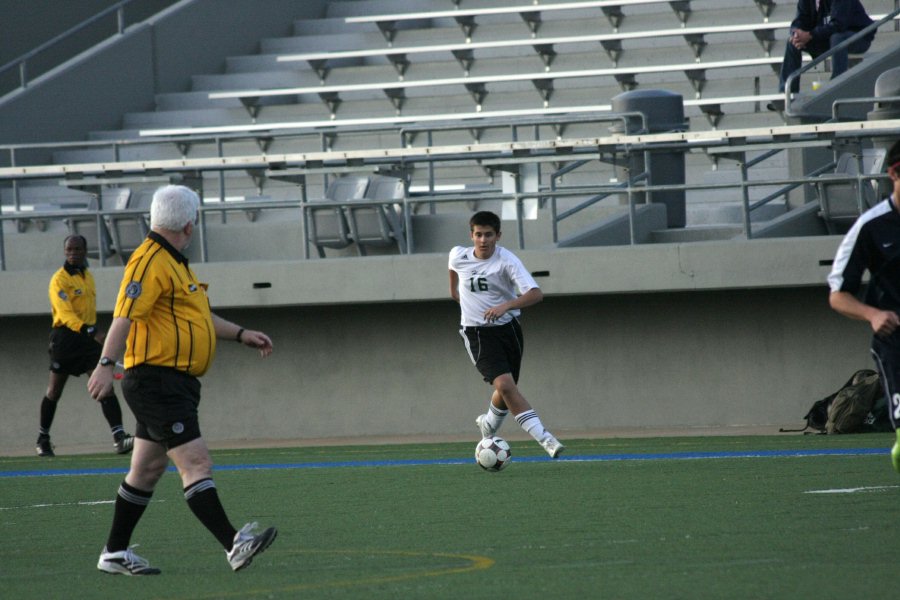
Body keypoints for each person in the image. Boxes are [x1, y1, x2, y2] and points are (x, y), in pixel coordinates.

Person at [87, 185, 277, 575]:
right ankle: (234, 544)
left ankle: (114, 553)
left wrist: (242, 334)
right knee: (196, 462)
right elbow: (123, 316)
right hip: (157, 382)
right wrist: (106, 363)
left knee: (145, 471)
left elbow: (199, 318)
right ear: (189, 224)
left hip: (170, 384)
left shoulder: (174, 263)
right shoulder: (148, 261)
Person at [448, 210, 564, 458]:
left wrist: (505, 306)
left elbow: (535, 294)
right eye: (478, 235)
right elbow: (452, 267)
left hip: (509, 329)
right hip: (476, 332)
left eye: (488, 235)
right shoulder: (459, 255)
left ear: (498, 236)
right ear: (472, 235)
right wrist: (454, 292)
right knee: (504, 385)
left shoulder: (507, 261)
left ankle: (488, 424)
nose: (483, 240)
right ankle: (546, 439)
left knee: (507, 389)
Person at [828, 139, 900, 472]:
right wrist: (873, 314)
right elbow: (838, 294)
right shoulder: (871, 227)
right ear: (894, 174)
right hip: (895, 346)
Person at [37, 234, 134, 457]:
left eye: (77, 249)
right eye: (69, 249)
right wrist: (91, 331)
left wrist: (91, 333)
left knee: (105, 384)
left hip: (87, 340)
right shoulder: (59, 279)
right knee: (54, 390)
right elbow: (65, 313)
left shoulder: (87, 277)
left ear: (84, 250)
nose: (73, 253)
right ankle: (43, 438)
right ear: (65, 252)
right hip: (65, 338)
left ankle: (119, 438)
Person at [775, 0, 874, 95]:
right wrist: (796, 34)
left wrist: (810, 35)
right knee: (793, 42)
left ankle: (836, 83)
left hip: (858, 36)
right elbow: (799, 21)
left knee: (837, 37)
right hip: (827, 37)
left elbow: (839, 25)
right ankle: (786, 92)